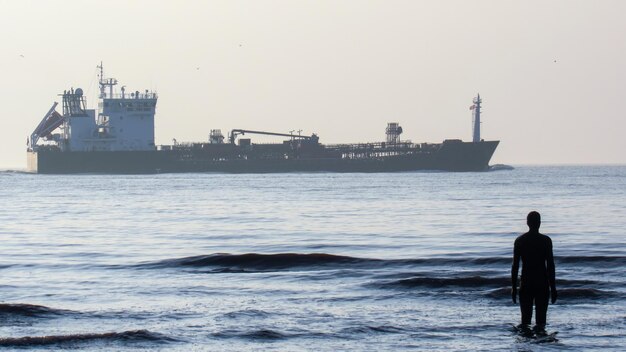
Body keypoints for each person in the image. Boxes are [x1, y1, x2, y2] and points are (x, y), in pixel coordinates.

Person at [511, 211, 557, 330]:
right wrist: (553, 287)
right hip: (542, 282)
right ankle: (541, 344)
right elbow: (550, 265)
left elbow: (515, 266)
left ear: (527, 223)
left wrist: (513, 287)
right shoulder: (546, 241)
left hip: (526, 282)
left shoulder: (520, 240)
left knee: (525, 321)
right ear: (539, 223)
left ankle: (527, 345)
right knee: (541, 322)